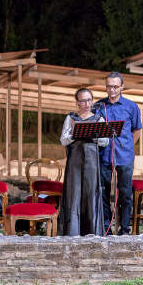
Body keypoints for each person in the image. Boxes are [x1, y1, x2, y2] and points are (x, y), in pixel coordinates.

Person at [58, 88, 108, 236]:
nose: (87, 103)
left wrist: (93, 135)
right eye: (83, 100)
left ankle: (92, 231)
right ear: (77, 102)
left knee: (91, 193)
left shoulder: (98, 119)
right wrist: (74, 133)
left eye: (89, 100)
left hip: (92, 162)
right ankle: (72, 231)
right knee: (74, 193)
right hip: (74, 161)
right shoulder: (71, 118)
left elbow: (105, 141)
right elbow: (63, 140)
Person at [97, 72, 142, 235]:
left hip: (125, 157)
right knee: (103, 192)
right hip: (103, 156)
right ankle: (106, 227)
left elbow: (137, 130)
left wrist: (128, 146)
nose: (112, 90)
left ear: (122, 86)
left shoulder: (131, 106)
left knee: (125, 193)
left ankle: (124, 228)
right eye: (109, 86)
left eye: (115, 86)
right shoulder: (99, 106)